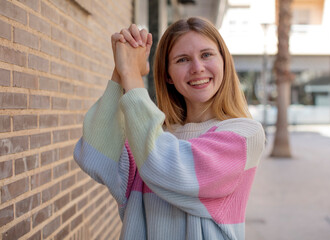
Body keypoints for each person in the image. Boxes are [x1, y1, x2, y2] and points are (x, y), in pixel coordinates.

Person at [74, 17, 265, 240]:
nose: (197, 68)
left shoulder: (244, 135)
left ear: (224, 61)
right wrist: (121, 71)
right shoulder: (153, 135)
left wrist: (132, 77)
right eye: (182, 59)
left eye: (206, 55)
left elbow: (166, 166)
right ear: (168, 75)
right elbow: (94, 155)